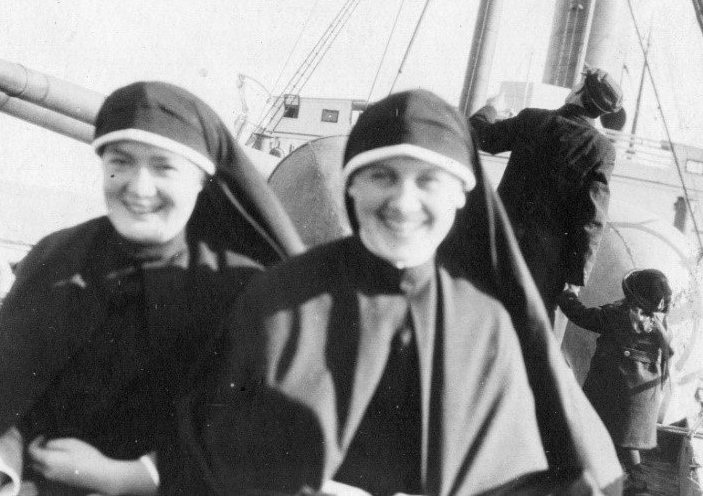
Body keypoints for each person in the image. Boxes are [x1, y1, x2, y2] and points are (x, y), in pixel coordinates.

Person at [168, 89, 623, 495]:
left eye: (428, 180)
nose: (403, 203)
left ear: (463, 194)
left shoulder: (486, 328)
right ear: (351, 184)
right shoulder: (275, 302)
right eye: (382, 176)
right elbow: (205, 455)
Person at [0, 82, 304, 495]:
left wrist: (119, 477)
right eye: (120, 162)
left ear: (201, 181)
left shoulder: (241, 291)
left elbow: (243, 442)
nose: (138, 187)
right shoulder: (56, 258)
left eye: (164, 167)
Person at [469, 68, 622, 322]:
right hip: (545, 268)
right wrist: (576, 279)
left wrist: (491, 108)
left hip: (497, 246)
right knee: (531, 340)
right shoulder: (602, 150)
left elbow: (480, 136)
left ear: (579, 92)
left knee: (478, 323)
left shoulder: (533, 120)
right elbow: (592, 218)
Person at [557, 269, 674, 495]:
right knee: (625, 441)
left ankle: (587, 476)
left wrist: (567, 294)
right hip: (639, 401)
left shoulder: (615, 316)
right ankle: (637, 481)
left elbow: (581, 315)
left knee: (593, 429)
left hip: (609, 391)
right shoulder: (660, 324)